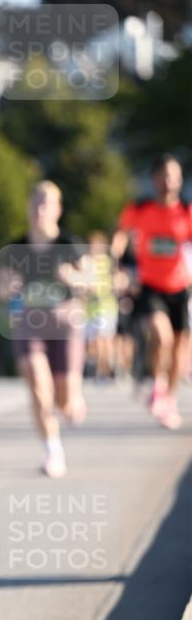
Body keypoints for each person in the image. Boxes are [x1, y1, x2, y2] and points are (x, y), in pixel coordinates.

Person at [0, 181, 87, 479]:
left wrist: (73, 278)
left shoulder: (69, 245)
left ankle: (71, 398)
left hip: (65, 326)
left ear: (58, 209)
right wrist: (7, 288)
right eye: (36, 201)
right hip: (30, 325)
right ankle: (52, 449)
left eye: (47, 203)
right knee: (37, 382)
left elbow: (92, 282)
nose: (40, 208)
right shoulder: (16, 248)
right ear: (28, 206)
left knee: (63, 400)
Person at [113, 155, 191, 429]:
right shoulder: (140, 208)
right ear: (155, 178)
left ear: (180, 180)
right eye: (164, 175)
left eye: (175, 176)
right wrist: (117, 261)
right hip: (150, 285)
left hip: (179, 287)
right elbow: (121, 235)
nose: (170, 181)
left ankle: (168, 399)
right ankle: (156, 384)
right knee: (162, 335)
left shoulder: (186, 211)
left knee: (180, 350)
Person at [84, 232, 119, 380]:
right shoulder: (86, 262)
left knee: (106, 339)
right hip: (91, 308)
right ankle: (102, 367)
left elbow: (115, 279)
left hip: (107, 306)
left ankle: (107, 367)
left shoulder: (107, 262)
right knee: (95, 340)